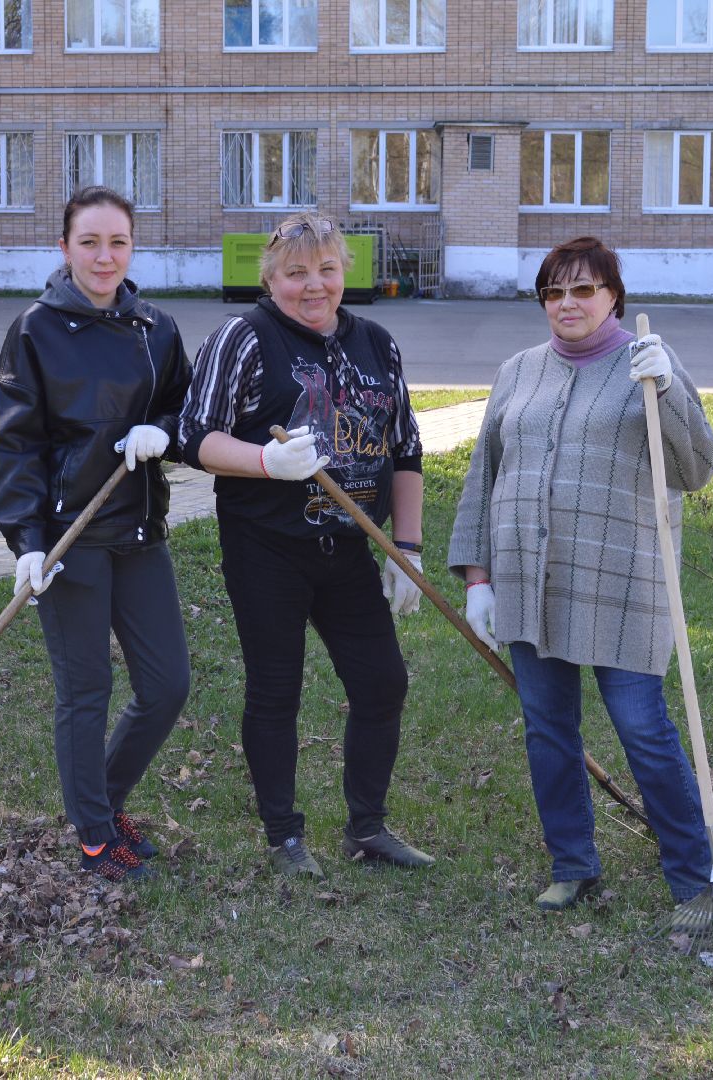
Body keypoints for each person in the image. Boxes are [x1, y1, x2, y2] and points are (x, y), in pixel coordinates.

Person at [447, 235, 713, 911]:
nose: (567, 303)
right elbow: (484, 475)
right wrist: (478, 578)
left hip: (624, 583)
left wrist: (670, 387)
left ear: (612, 297)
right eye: (554, 291)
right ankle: (573, 864)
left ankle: (694, 872)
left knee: (642, 727)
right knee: (548, 729)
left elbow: (699, 467)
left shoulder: (646, 363)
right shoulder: (517, 370)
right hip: (529, 580)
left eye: (583, 290)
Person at [178, 211, 433, 879]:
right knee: (275, 689)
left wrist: (407, 547)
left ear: (344, 271)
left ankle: (367, 827)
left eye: (326, 269)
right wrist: (266, 463)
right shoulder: (244, 337)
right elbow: (195, 436)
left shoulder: (377, 342)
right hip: (267, 545)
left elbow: (405, 447)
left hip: (349, 547)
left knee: (383, 683)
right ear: (270, 278)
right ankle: (283, 834)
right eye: (295, 273)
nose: (312, 286)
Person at [0, 186, 191, 884]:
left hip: (137, 530)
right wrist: (28, 542)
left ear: (134, 248)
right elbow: (15, 445)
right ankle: (97, 836)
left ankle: (99, 801)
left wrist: (162, 429)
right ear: (64, 247)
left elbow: (182, 409)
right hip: (70, 538)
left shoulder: (155, 328)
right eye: (90, 242)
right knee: (86, 690)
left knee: (167, 685)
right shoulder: (35, 331)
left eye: (118, 243)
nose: (105, 258)